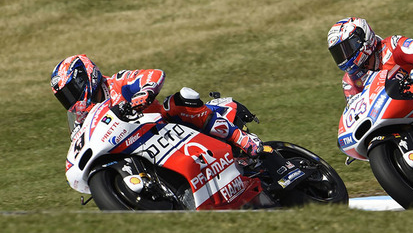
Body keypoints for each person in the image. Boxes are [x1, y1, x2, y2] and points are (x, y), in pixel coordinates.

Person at [50, 54, 263, 156]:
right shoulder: (84, 118)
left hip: (163, 128)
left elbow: (154, 74)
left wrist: (146, 92)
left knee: (176, 103)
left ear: (83, 78)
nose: (70, 101)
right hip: (136, 147)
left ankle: (239, 137)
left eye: (71, 92)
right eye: (65, 98)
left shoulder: (117, 82)